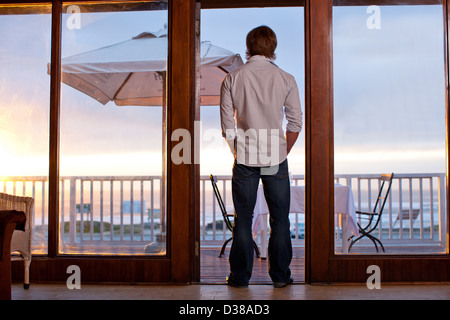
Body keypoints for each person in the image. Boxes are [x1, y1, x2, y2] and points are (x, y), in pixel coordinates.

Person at [220, 25, 303, 288]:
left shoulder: (232, 78)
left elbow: (227, 126)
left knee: (243, 219)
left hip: (245, 158)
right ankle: (280, 277)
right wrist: (282, 150)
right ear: (273, 47)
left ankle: (239, 278)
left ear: (249, 46)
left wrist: (237, 150)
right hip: (274, 159)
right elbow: (295, 122)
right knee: (280, 219)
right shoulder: (286, 78)